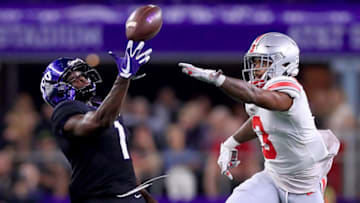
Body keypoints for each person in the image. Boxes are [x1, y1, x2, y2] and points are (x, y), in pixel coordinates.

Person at [179, 32, 340, 203]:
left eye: (262, 62)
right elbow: (260, 120)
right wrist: (230, 143)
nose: (255, 69)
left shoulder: (288, 89)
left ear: (283, 63)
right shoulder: (263, 96)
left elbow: (253, 95)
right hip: (273, 176)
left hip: (304, 186)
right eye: (255, 62)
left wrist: (219, 80)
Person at [40, 40, 157, 203]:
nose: (82, 79)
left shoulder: (103, 108)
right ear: (57, 90)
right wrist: (123, 77)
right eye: (73, 79)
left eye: (82, 74)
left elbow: (121, 169)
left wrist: (147, 198)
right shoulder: (65, 110)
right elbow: (97, 122)